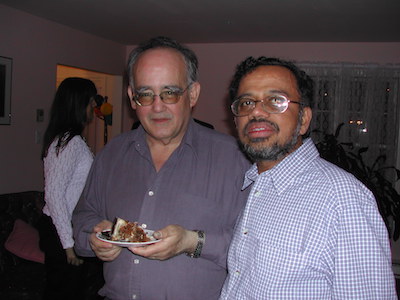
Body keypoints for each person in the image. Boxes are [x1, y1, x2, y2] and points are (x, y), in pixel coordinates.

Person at [72, 36, 250, 300]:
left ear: (192, 94)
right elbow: (83, 216)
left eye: (170, 92)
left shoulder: (236, 159)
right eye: (145, 94)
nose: (157, 106)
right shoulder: (110, 154)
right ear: (132, 98)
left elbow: (254, 247)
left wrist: (192, 242)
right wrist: (94, 238)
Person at [220, 57, 397, 299]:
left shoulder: (342, 199)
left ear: (303, 119)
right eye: (246, 102)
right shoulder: (258, 185)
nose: (256, 111)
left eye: (275, 100)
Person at [38, 77, 104, 299]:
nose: (95, 106)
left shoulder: (73, 140)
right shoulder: (68, 142)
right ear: (78, 102)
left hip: (66, 226)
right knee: (63, 292)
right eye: (91, 100)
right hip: (60, 229)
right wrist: (68, 244)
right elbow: (54, 195)